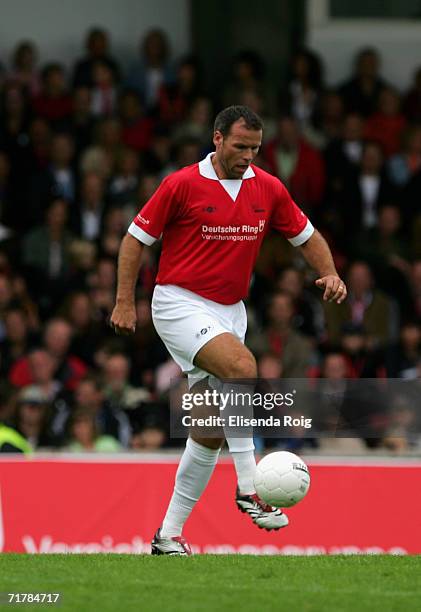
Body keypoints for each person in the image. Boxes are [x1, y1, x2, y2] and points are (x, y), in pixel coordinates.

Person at [110, 105, 347, 555]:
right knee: (243, 366)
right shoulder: (180, 184)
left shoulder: (268, 188)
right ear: (217, 139)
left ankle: (167, 536)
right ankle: (248, 487)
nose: (247, 156)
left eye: (255, 149)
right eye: (240, 146)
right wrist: (124, 301)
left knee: (209, 429)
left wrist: (330, 272)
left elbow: (306, 235)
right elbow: (133, 240)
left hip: (230, 311)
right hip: (178, 302)